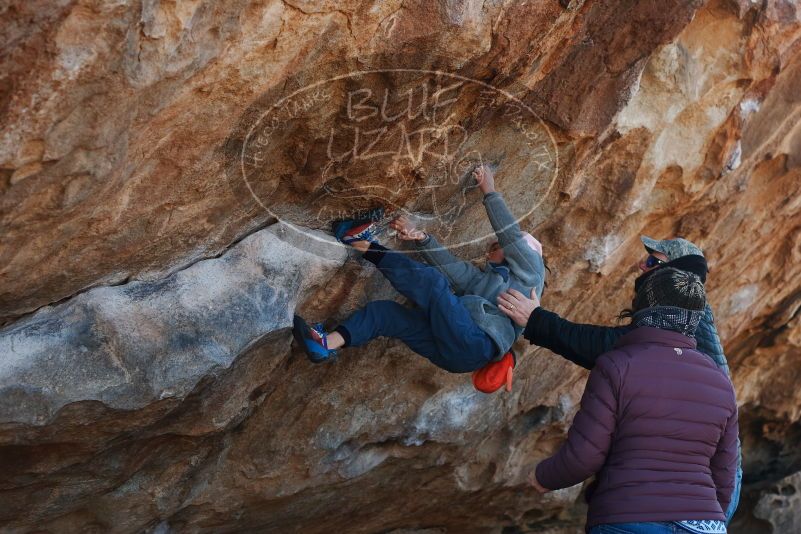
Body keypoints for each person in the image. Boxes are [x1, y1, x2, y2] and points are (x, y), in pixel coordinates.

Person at [496, 236, 742, 523]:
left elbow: (603, 346)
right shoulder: (694, 329)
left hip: (645, 509)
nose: (641, 264)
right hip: (702, 507)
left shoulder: (676, 326)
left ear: (675, 273)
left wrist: (536, 319)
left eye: (652, 261)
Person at [292, 164, 545, 376]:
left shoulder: (531, 273)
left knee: (433, 284)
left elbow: (510, 235)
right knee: (387, 315)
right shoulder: (487, 281)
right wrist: (423, 238)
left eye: (496, 246)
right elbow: (453, 269)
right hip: (460, 357)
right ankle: (325, 345)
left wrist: (489, 190)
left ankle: (356, 240)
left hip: (476, 343)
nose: (491, 250)